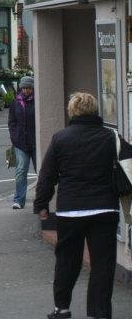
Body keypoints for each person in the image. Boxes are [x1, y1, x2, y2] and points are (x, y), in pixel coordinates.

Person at [34, 92, 132, 319]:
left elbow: (47, 175)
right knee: (102, 264)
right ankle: (99, 312)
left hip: (71, 209)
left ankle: (62, 308)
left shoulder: (61, 138)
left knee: (67, 260)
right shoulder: (111, 137)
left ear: (72, 112)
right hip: (105, 209)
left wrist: (42, 204)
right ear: (95, 111)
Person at [8, 75, 36, 210]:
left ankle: (42, 200)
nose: (26, 91)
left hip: (36, 142)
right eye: (24, 88)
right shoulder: (16, 102)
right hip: (21, 143)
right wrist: (14, 137)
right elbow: (12, 122)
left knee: (41, 172)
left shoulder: (37, 101)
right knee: (20, 171)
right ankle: (19, 200)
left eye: (29, 88)